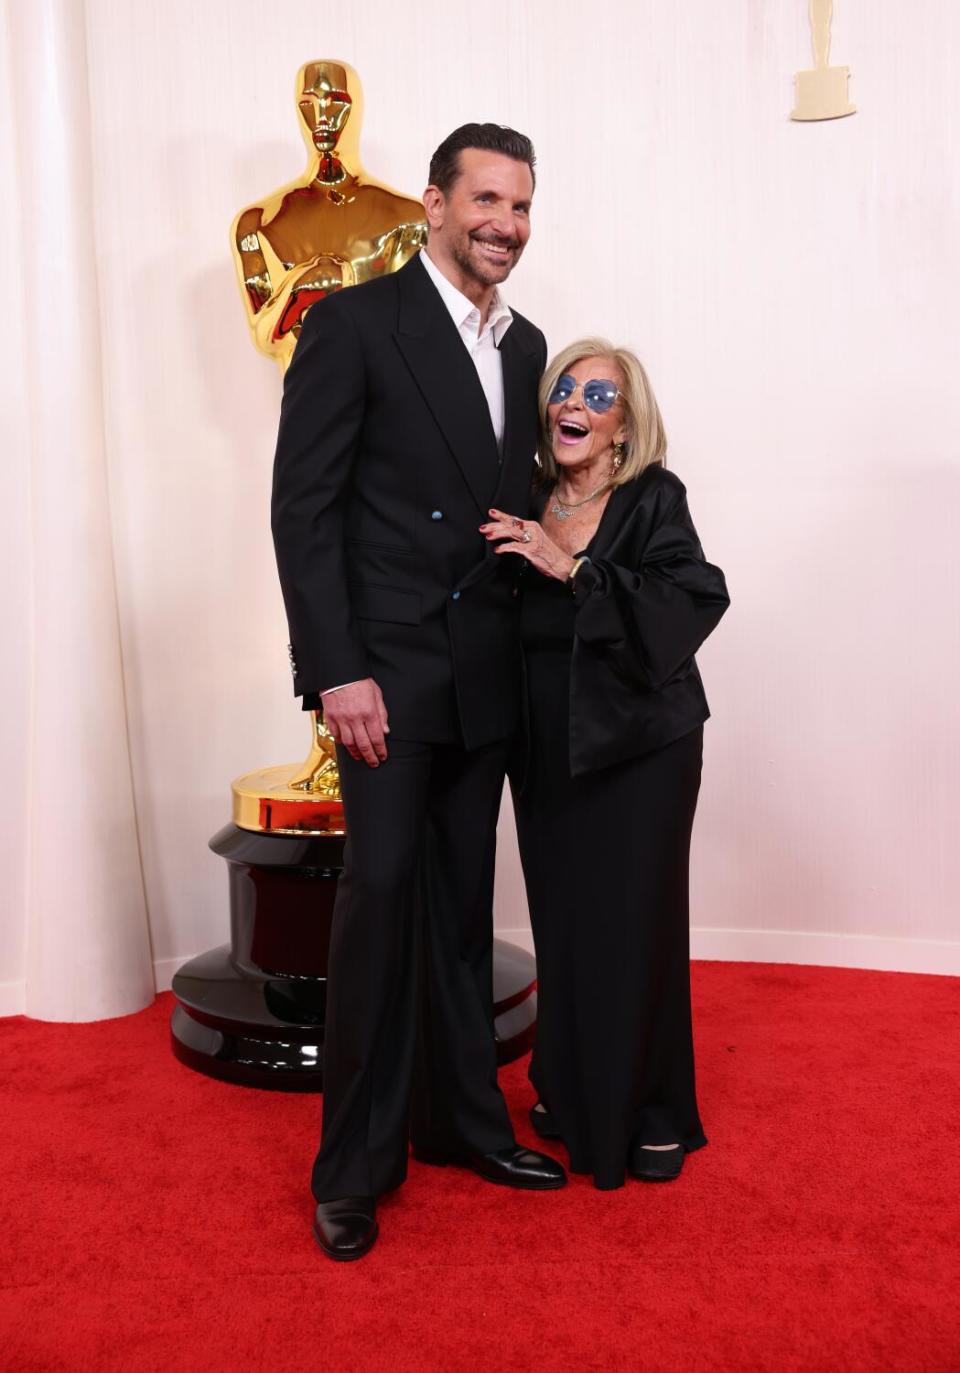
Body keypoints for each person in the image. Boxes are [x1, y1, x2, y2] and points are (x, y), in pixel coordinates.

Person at [271, 124, 566, 1263]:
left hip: (483, 671)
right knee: (381, 905)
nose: (507, 223)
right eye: (487, 198)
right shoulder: (352, 323)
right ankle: (352, 1164)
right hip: (383, 674)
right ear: (434, 205)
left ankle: (461, 1126)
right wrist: (336, 667)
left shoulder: (526, 341)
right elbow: (306, 510)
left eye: (523, 205)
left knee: (458, 913)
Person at [481, 340, 729, 1190]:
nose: (574, 401)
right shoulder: (525, 495)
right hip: (546, 746)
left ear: (625, 423)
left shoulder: (653, 497)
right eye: (564, 388)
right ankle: (569, 1083)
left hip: (641, 746)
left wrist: (577, 568)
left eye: (598, 392)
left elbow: (694, 596)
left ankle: (653, 1109)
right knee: (565, 920)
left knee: (637, 921)